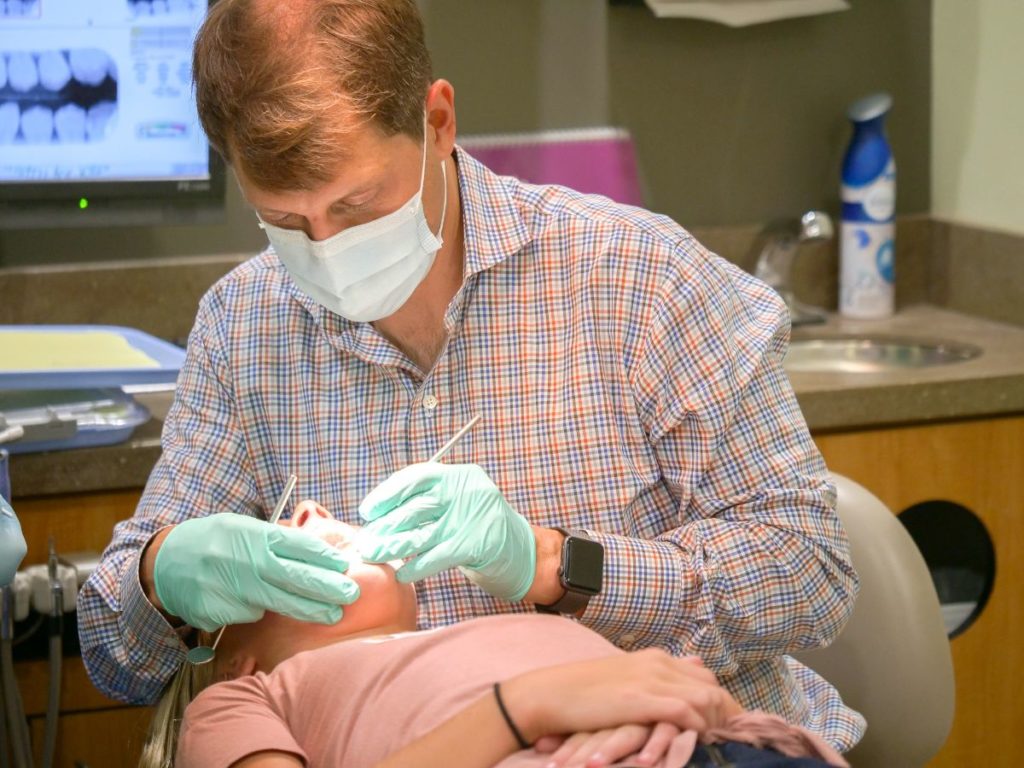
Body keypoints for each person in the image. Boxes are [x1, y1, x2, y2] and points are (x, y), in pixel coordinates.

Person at [77, 0, 864, 752]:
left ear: (438, 121)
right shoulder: (243, 328)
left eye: (356, 207)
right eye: (286, 223)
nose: (324, 248)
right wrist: (161, 577)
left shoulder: (641, 281)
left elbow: (809, 571)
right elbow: (119, 656)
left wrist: (552, 563)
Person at [145, 501, 848, 768]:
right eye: (278, 536)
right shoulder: (244, 700)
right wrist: (518, 709)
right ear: (235, 656)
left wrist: (698, 697)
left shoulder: (482, 627)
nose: (309, 508)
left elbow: (817, 571)